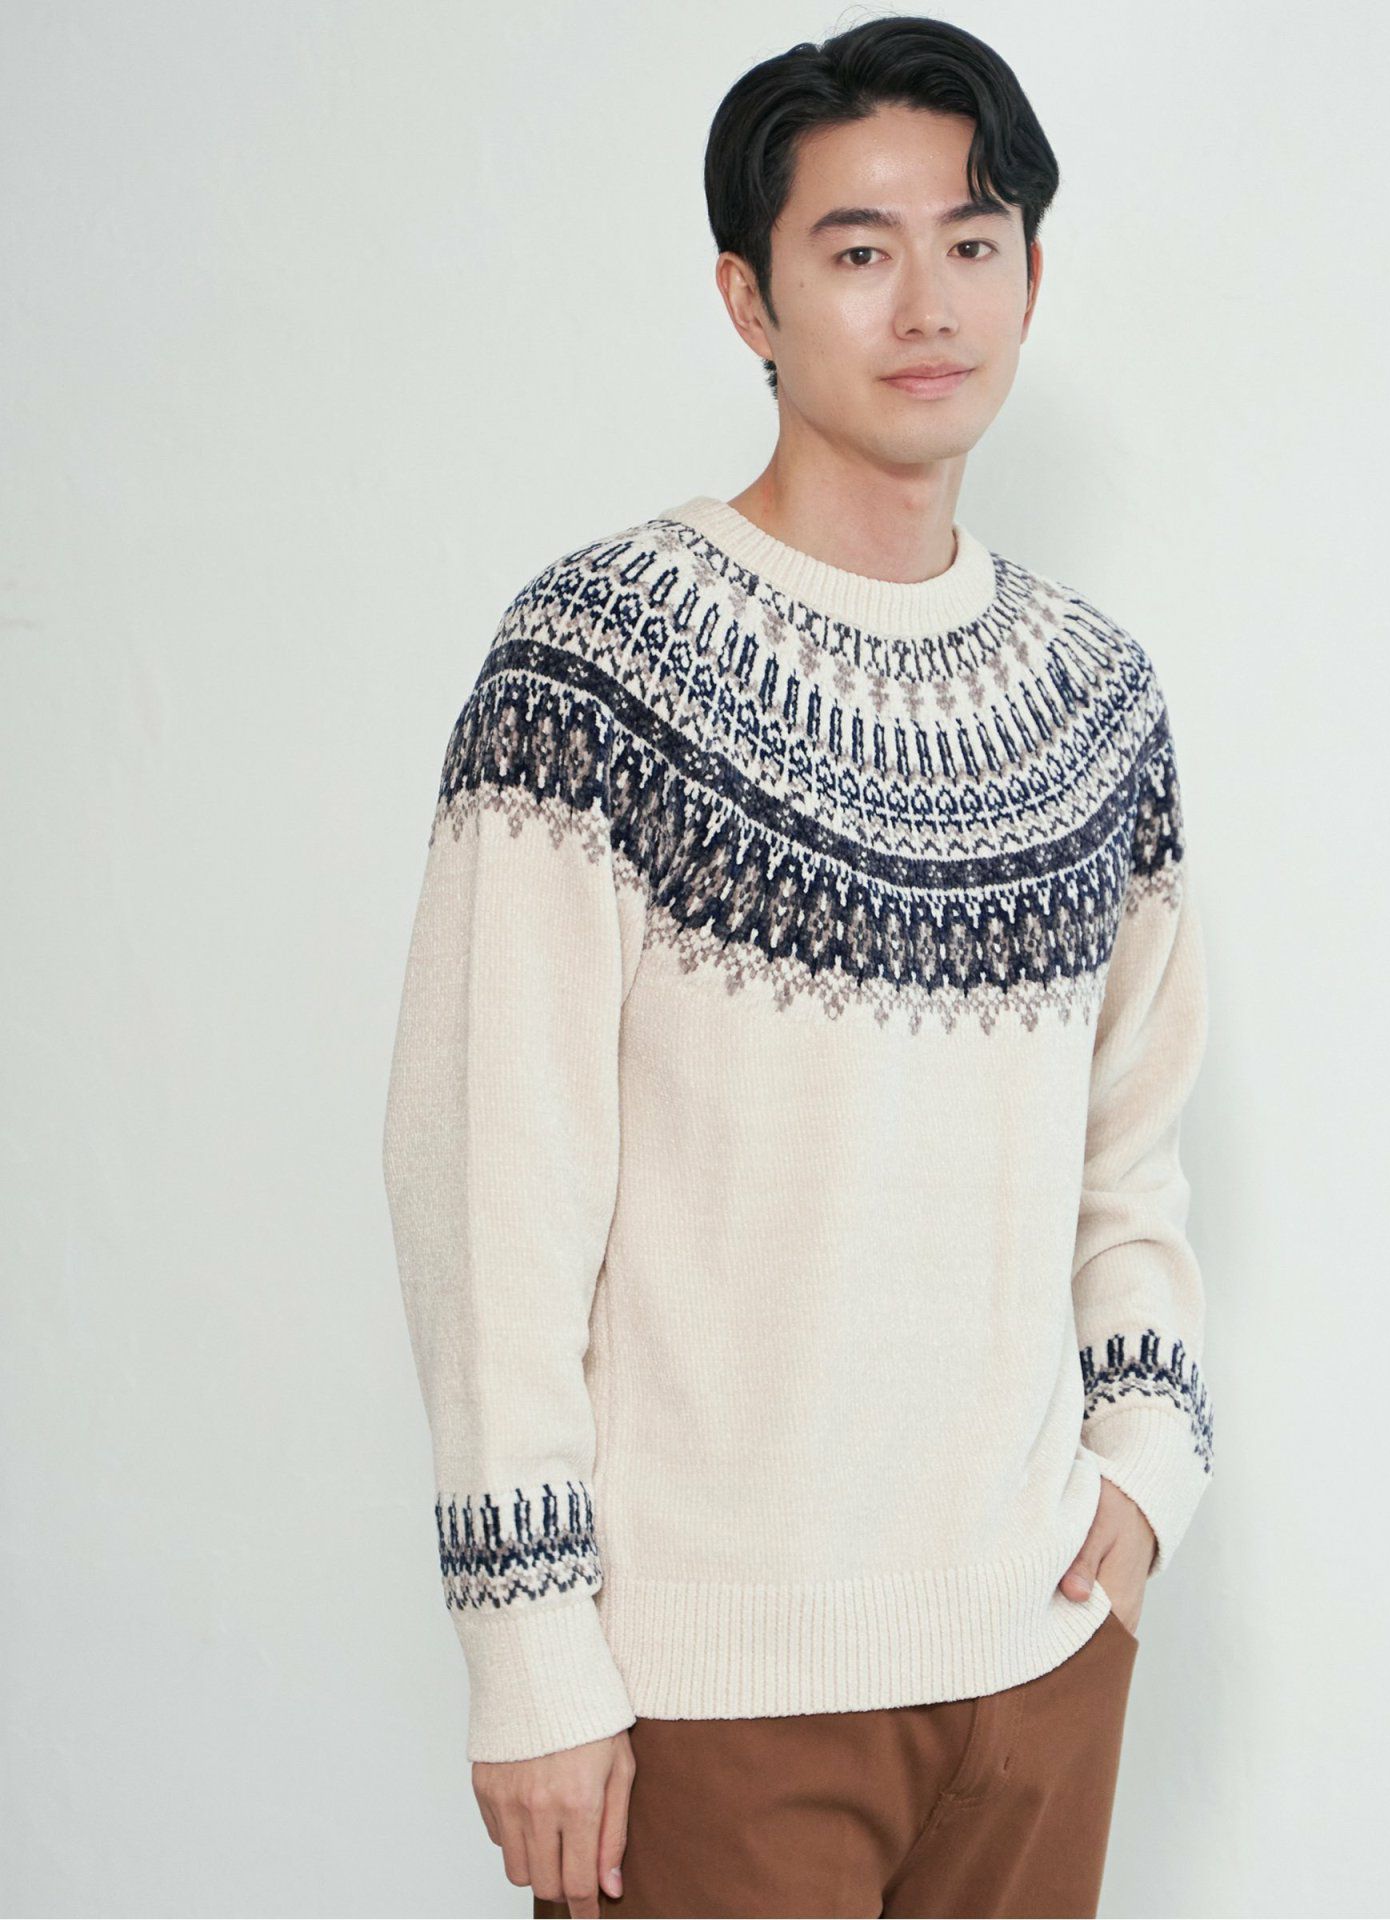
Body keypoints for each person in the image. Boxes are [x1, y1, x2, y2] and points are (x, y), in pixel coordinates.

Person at [380, 15, 1215, 1917]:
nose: (929, 303)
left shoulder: (1100, 699)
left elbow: (1131, 1142)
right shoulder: (596, 663)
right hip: (709, 1699)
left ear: (1030, 277)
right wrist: (530, 1659)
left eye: (975, 241)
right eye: (858, 249)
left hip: (1039, 1654)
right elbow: (488, 1189)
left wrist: (1147, 1466)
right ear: (748, 298)